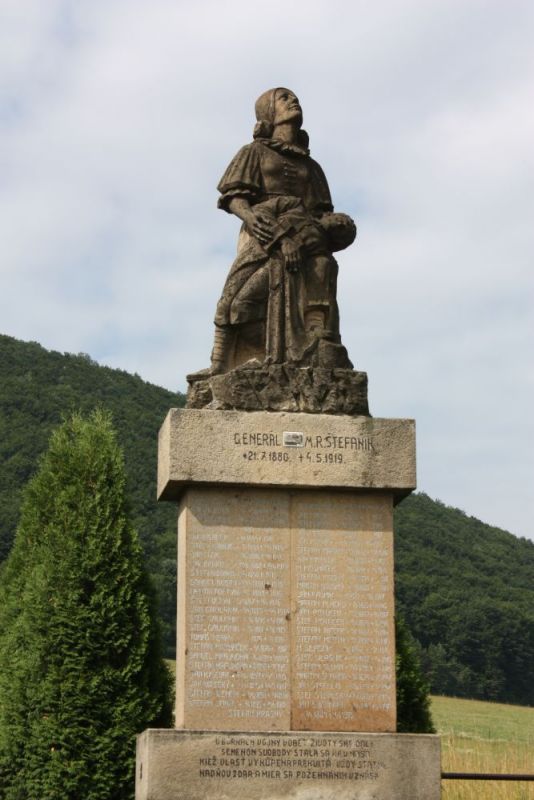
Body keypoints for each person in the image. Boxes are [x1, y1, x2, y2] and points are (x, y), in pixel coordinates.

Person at [208, 88, 356, 374]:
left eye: (295, 97)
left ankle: (312, 341)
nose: (293, 101)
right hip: (262, 231)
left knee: (323, 265)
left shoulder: (312, 167)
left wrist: (329, 230)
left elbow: (322, 214)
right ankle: (220, 364)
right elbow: (235, 200)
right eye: (284, 98)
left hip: (304, 238)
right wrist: (260, 224)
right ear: (268, 112)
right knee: (233, 299)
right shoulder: (253, 152)